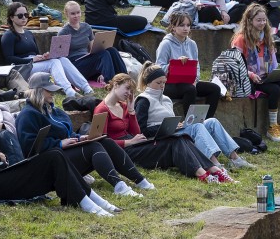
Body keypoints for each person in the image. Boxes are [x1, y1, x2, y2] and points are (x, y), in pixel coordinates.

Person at [0, 84, 114, 215]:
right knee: (54, 156)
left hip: (1, 175)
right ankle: (86, 201)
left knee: (55, 154)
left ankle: (88, 197)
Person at [16, 72, 154, 199]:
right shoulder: (28, 114)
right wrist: (58, 143)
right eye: (49, 90)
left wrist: (78, 138)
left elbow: (67, 133)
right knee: (94, 147)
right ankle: (118, 185)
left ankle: (139, 180)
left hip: (63, 154)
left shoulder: (54, 111)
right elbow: (29, 147)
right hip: (50, 163)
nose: (53, 93)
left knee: (105, 141)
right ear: (38, 91)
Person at [96, 73, 231, 183]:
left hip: (135, 144)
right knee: (175, 141)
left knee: (182, 138)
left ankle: (215, 170)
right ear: (115, 85)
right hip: (123, 151)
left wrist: (131, 111)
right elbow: (102, 142)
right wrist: (129, 142)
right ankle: (203, 175)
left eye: (131, 91)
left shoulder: (124, 106)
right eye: (126, 89)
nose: (129, 94)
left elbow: (136, 133)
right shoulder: (102, 109)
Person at [135, 64, 252, 170]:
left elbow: (169, 120)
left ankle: (235, 158)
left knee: (212, 121)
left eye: (164, 82)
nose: (162, 86)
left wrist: (178, 124)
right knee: (196, 127)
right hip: (160, 138)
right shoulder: (144, 100)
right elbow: (142, 130)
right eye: (158, 83)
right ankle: (213, 164)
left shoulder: (166, 99)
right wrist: (168, 127)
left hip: (173, 131)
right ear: (148, 82)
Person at [0, 1, 95, 98]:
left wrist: (43, 57)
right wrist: (32, 59)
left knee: (63, 59)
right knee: (53, 62)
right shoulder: (9, 35)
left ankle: (87, 88)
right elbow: (9, 59)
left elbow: (35, 54)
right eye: (20, 15)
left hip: (33, 65)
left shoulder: (28, 33)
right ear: (12, 17)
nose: (24, 17)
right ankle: (69, 91)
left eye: (26, 14)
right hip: (22, 69)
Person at [231, 4, 280, 142]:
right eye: (258, 20)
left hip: (266, 76)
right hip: (248, 78)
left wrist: (279, 73)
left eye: (264, 20)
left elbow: (273, 61)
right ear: (250, 21)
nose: (262, 23)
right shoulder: (241, 39)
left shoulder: (267, 37)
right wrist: (251, 75)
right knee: (275, 89)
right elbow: (236, 65)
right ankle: (272, 127)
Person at [154, 12, 221, 119]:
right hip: (169, 84)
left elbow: (196, 65)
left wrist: (196, 79)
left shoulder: (192, 44)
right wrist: (175, 64)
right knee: (190, 89)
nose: (185, 28)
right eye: (181, 25)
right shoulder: (166, 44)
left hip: (189, 82)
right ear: (173, 27)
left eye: (188, 25)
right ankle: (190, 123)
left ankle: (207, 121)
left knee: (215, 89)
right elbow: (158, 68)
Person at [58, 0, 126, 82]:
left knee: (111, 50)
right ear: (66, 14)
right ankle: (110, 82)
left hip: (88, 60)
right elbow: (60, 57)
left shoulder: (86, 27)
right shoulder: (64, 32)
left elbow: (93, 49)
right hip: (75, 65)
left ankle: (125, 78)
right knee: (103, 54)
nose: (76, 16)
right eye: (73, 14)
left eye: (78, 12)